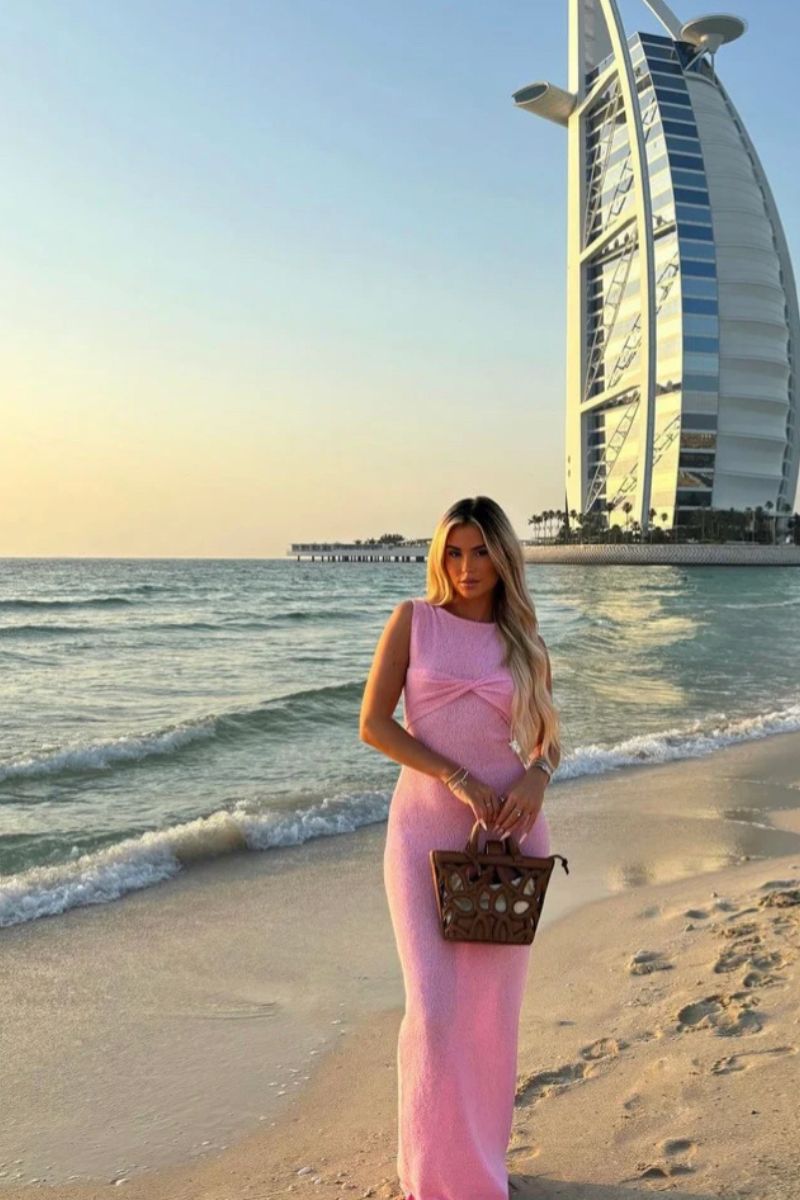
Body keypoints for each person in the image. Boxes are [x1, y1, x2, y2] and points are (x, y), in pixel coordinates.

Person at [359, 495, 562, 1200]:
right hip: (422, 834)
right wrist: (454, 776)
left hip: (508, 840)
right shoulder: (413, 622)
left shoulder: (524, 642)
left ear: (503, 558)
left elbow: (548, 740)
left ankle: (478, 1169)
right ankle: (429, 1177)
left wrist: (536, 777)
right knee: (434, 1008)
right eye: (453, 552)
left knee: (488, 1018)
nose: (466, 567)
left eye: (480, 552)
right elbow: (374, 725)